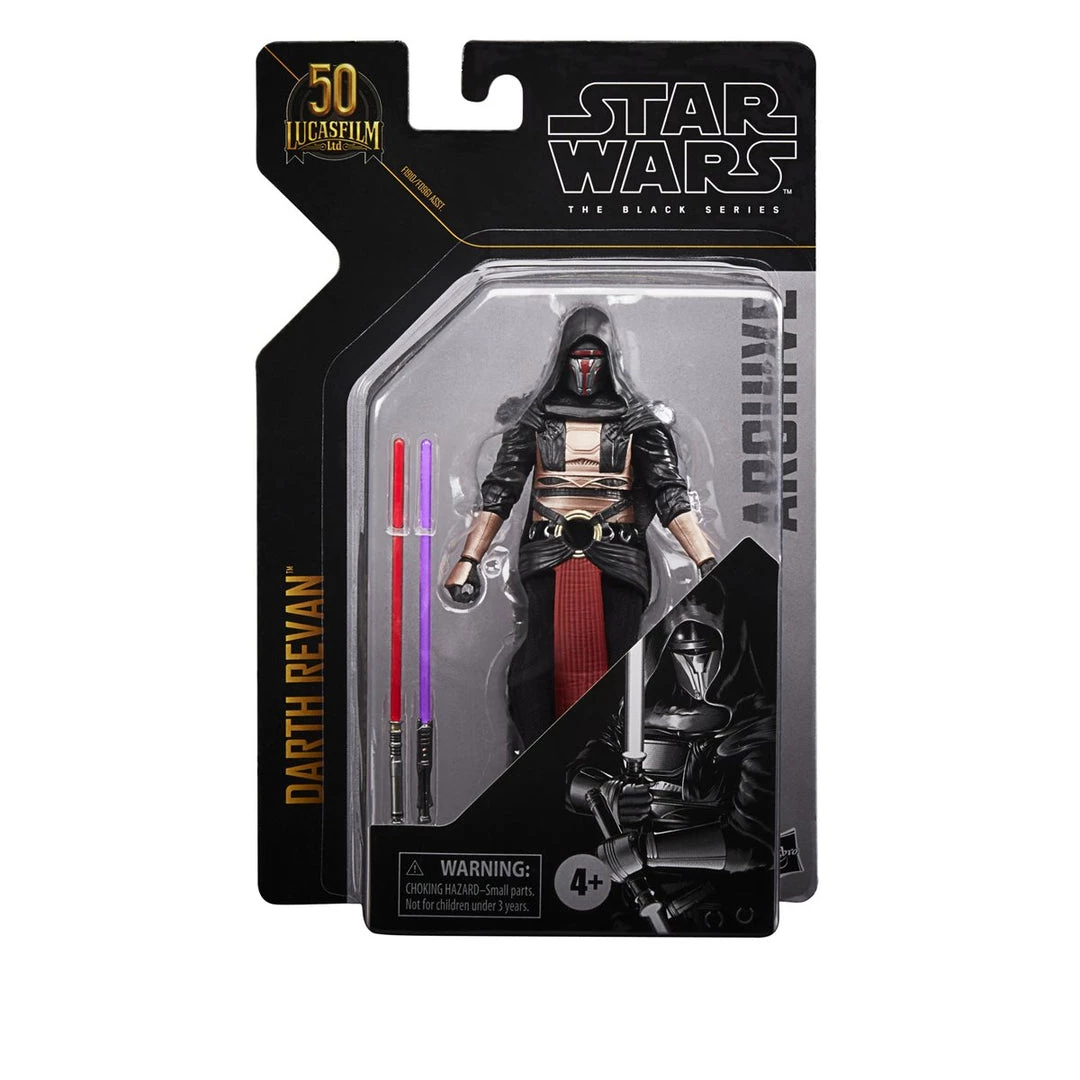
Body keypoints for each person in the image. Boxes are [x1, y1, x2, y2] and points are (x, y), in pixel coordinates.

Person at [444, 305, 715, 747]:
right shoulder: (535, 420)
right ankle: (537, 758)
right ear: (563, 358)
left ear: (610, 359)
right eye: (578, 356)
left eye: (594, 356)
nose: (585, 367)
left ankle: (612, 758)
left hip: (619, 557)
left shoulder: (638, 423)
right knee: (537, 665)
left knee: (622, 663)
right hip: (547, 554)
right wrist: (468, 560)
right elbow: (500, 492)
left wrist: (704, 559)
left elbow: (669, 493)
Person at [565, 583, 775, 927]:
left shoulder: (753, 722)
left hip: (713, 904)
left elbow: (754, 842)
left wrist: (644, 851)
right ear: (664, 650)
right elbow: (577, 776)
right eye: (683, 651)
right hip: (633, 902)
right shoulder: (637, 716)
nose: (697, 666)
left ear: (729, 646)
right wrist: (608, 794)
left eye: (705, 650)